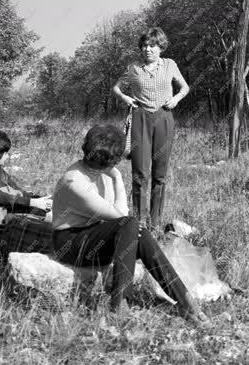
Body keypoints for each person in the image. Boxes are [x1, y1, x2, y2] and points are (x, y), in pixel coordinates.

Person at [51, 124, 203, 320]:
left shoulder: (100, 173)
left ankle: (183, 299)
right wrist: (117, 177)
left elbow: (121, 219)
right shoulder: (75, 182)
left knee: (142, 235)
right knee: (131, 225)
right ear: (111, 161)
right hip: (70, 242)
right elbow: (121, 216)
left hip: (94, 234)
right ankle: (121, 303)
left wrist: (112, 176)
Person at [112, 27, 189, 231]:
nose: (147, 49)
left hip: (164, 117)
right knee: (139, 172)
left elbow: (185, 87)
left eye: (152, 45)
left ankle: (155, 223)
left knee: (160, 173)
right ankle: (139, 221)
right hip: (140, 118)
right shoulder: (133, 68)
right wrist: (125, 97)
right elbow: (116, 88)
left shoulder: (170, 65)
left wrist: (176, 99)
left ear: (160, 47)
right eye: (144, 45)